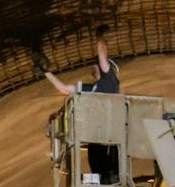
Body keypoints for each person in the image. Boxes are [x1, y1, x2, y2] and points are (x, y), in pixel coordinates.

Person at [43, 38, 121, 179]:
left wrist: (100, 36)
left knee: (108, 164)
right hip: (96, 135)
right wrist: (45, 72)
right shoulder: (91, 88)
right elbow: (64, 89)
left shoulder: (109, 80)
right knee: (97, 162)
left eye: (96, 63)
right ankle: (102, 180)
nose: (93, 65)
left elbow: (102, 54)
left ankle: (109, 178)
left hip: (109, 134)